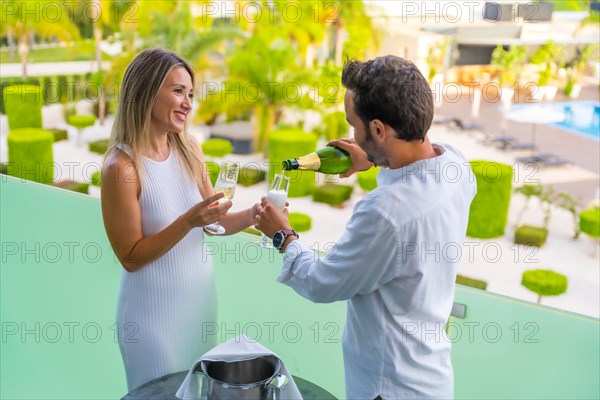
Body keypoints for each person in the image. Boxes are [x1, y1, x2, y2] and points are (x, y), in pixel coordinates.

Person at [256, 55, 477, 399]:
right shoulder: (456, 166)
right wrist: (374, 156)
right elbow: (414, 175)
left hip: (387, 388)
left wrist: (282, 235)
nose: (352, 136)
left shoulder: (384, 214)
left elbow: (322, 283)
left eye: (354, 125)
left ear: (378, 129)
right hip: (433, 381)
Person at [100, 48, 258, 391]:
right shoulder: (121, 167)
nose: (187, 103)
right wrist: (188, 221)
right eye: (177, 91)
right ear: (145, 91)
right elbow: (130, 256)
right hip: (151, 321)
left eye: (190, 94)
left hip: (199, 308)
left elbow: (213, 222)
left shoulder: (190, 148)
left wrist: (254, 214)